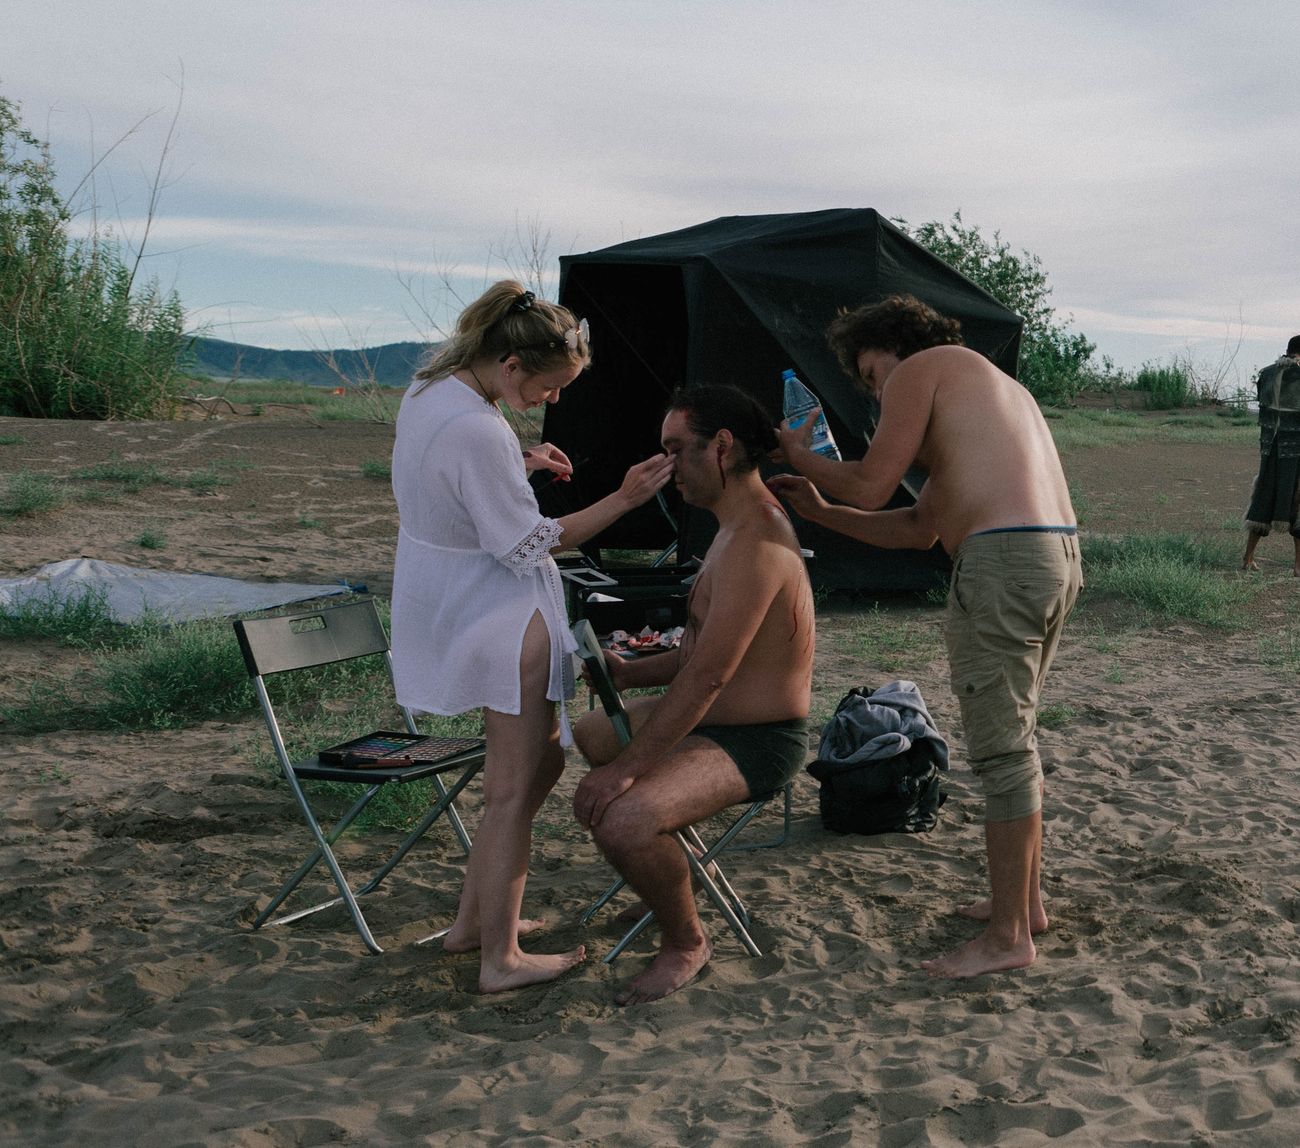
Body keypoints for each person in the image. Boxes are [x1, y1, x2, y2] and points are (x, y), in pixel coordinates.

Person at [770, 294, 1080, 979]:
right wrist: (822, 511)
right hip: (1053, 556)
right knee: (1017, 738)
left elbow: (872, 484)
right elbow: (917, 528)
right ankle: (1025, 906)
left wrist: (800, 455)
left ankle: (1007, 937)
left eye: (871, 374)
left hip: (1004, 560)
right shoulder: (987, 392)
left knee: (1002, 752)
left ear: (894, 346)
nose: (877, 394)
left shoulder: (923, 368)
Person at [390, 282, 673, 993]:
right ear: (511, 364)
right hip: (498, 615)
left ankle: (473, 925)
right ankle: (501, 959)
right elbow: (526, 544)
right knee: (514, 790)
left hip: (453, 602)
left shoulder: (430, 391)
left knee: (538, 768)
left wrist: (516, 465)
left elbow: (448, 484)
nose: (554, 398)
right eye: (550, 385)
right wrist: (624, 500)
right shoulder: (479, 429)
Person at [568, 385, 816, 1003]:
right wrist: (630, 672)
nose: (666, 465)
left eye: (677, 449)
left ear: (722, 447)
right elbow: (702, 653)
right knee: (591, 730)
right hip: (719, 720)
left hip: (759, 739)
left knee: (622, 818)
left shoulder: (757, 539)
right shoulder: (731, 527)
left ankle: (685, 942)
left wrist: (628, 771)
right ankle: (668, 879)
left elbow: (708, 677)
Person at [1240, 335, 1300, 576]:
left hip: (1269, 446)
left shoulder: (1266, 373)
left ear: (1288, 349)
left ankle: (1248, 558)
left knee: (1264, 494)